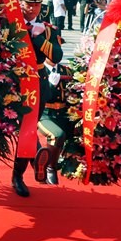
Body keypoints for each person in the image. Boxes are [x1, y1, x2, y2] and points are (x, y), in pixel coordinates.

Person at [12, 0, 64, 198]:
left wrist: (39, 38)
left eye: (37, 4)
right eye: (28, 3)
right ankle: (34, 158)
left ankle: (19, 174)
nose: (33, 8)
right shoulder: (11, 25)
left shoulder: (47, 29)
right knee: (21, 126)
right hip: (13, 80)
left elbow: (57, 57)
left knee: (29, 127)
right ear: (20, 4)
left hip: (37, 80)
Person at [33, 57, 72, 185]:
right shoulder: (38, 71)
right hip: (44, 114)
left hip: (64, 114)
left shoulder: (66, 71)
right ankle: (50, 168)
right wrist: (49, 85)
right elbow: (37, 96)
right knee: (56, 135)